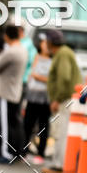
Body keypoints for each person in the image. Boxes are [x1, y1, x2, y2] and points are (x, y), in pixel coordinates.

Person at [43, 29, 82, 173]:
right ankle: (59, 162)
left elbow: (64, 77)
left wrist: (57, 99)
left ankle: (60, 164)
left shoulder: (63, 53)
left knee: (62, 131)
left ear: (50, 42)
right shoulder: (61, 53)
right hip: (66, 98)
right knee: (61, 131)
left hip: (66, 99)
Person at [0, 23, 27, 163]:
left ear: (6, 36)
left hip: (6, 92)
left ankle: (6, 153)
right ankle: (17, 152)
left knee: (5, 125)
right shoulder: (22, 49)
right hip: (15, 90)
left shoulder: (11, 51)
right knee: (14, 123)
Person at [24, 33, 51, 164]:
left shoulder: (53, 59)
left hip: (45, 98)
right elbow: (31, 72)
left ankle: (41, 153)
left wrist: (37, 77)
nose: (44, 46)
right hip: (32, 95)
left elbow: (50, 79)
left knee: (43, 126)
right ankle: (24, 151)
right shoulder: (36, 56)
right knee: (28, 124)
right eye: (43, 43)